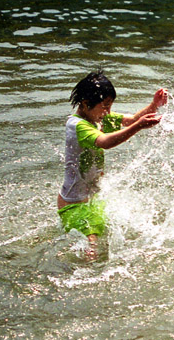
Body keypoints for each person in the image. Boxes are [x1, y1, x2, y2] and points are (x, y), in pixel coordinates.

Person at [57, 71, 167, 256]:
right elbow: (105, 142)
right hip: (74, 204)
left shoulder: (96, 119)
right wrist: (138, 126)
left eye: (110, 106)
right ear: (85, 103)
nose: (107, 112)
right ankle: (77, 279)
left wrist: (154, 105)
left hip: (92, 200)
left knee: (106, 238)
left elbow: (130, 120)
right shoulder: (77, 125)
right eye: (105, 106)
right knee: (90, 249)